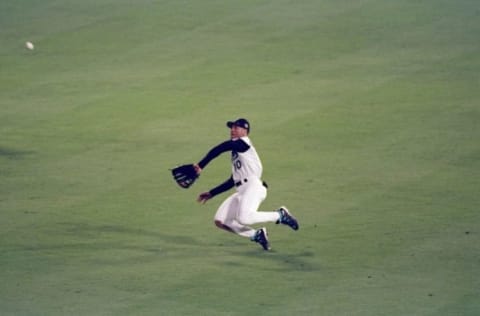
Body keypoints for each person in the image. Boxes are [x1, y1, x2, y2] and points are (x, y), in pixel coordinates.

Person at [194, 118, 299, 251]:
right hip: (243, 190)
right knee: (221, 220)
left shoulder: (244, 144)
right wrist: (212, 193)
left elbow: (221, 148)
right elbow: (233, 180)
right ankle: (257, 235)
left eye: (236, 127)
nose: (232, 130)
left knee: (244, 218)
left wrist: (200, 165)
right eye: (231, 127)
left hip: (253, 187)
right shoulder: (238, 153)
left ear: (245, 131)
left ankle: (280, 215)